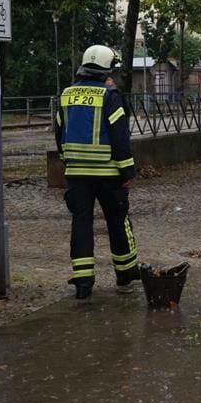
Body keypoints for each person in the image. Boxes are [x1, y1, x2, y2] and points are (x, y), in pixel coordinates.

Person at [55, 45, 139, 300]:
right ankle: (125, 274)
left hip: (77, 174)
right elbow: (120, 137)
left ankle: (83, 282)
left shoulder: (66, 95)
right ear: (106, 71)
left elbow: (59, 132)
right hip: (108, 173)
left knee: (81, 224)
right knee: (117, 220)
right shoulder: (109, 96)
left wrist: (67, 162)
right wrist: (127, 172)